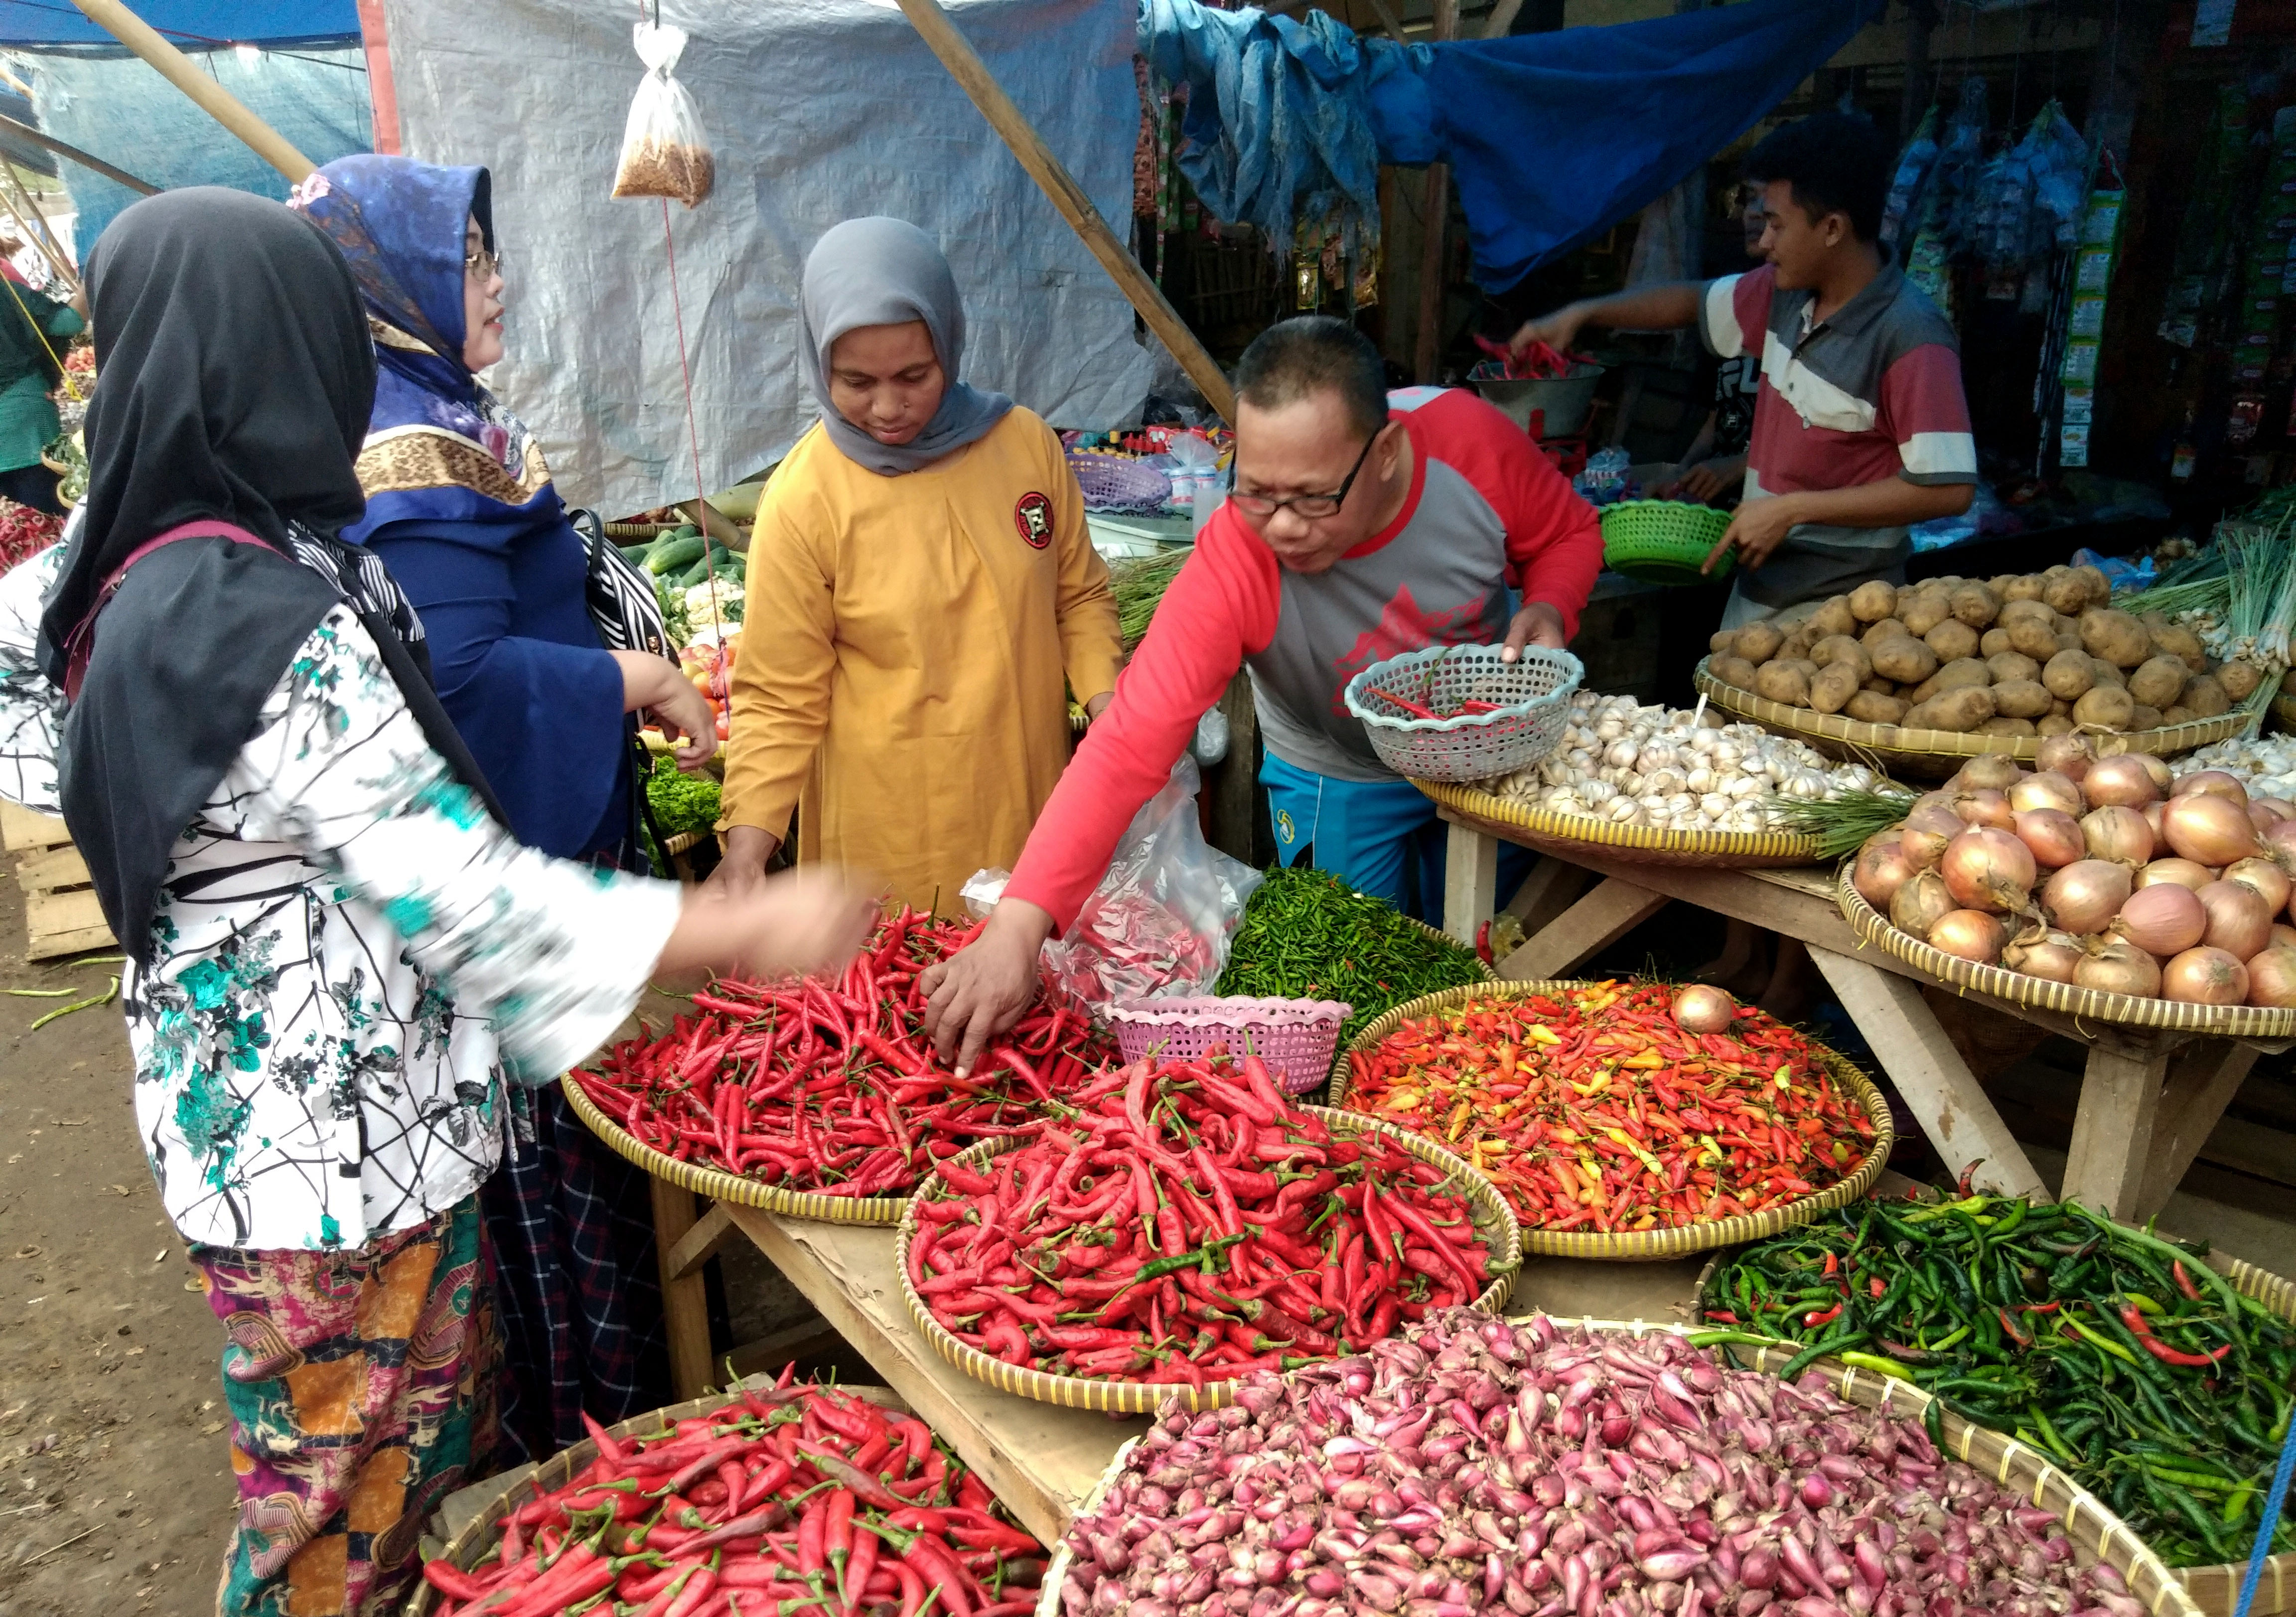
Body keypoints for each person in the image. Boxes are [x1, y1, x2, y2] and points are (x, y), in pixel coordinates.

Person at [0, 186, 872, 1617]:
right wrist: (734, 925)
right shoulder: (271, 622)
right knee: (340, 1528)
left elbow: (51, 731)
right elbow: (470, 902)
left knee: (350, 1488)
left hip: (239, 1131)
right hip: (350, 1154)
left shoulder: (111, 568)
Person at [291, 153, 717, 1464]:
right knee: (556, 1158)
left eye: (485, 255)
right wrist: (630, 671)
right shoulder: (399, 447)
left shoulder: (430, 403)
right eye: (469, 260)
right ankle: (589, 1427)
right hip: (513, 848)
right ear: (392, 279)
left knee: (579, 1144)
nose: (495, 281)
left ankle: (603, 1403)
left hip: (545, 815)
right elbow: (460, 678)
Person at [919, 316, 1604, 1072]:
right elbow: (1129, 744)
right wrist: (1020, 925)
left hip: (1483, 758)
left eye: (1313, 498)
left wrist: (1550, 604)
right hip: (1333, 768)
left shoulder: (1468, 443)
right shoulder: (1237, 554)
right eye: (1256, 490)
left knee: (1490, 956)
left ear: (1385, 455)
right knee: (1360, 987)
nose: (1281, 526)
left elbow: (1568, 534)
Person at [709, 217, 1122, 917]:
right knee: (890, 1006)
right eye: (856, 381)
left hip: (1024, 809)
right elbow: (779, 693)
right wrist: (747, 847)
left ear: (950, 341)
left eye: (914, 376)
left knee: (1028, 999)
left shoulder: (1023, 448)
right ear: (818, 364)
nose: (889, 407)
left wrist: (1113, 710)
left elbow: (1077, 597)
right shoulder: (806, 499)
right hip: (884, 839)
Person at [1513, 110, 1977, 629]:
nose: (1763, 242)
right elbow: (1691, 302)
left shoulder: (1911, 335)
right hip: (1757, 594)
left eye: (1777, 224)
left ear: (1832, 229)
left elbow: (1948, 487)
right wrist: (1583, 314)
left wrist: (1793, 509)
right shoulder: (1784, 294)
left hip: (1847, 614)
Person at [1652, 192, 1766, 506]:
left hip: (1773, 508)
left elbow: (1820, 443)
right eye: (1749, 200)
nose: (1752, 214)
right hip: (1720, 502)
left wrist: (1743, 466)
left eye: (1765, 201)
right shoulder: (1729, 302)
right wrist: (1684, 471)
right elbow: (1717, 415)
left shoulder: (1811, 318)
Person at [0, 235, 81, 515]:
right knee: (58, 517)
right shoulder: (5, 289)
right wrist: (92, 279)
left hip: (21, 417)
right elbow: (68, 322)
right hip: (23, 419)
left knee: (18, 527)